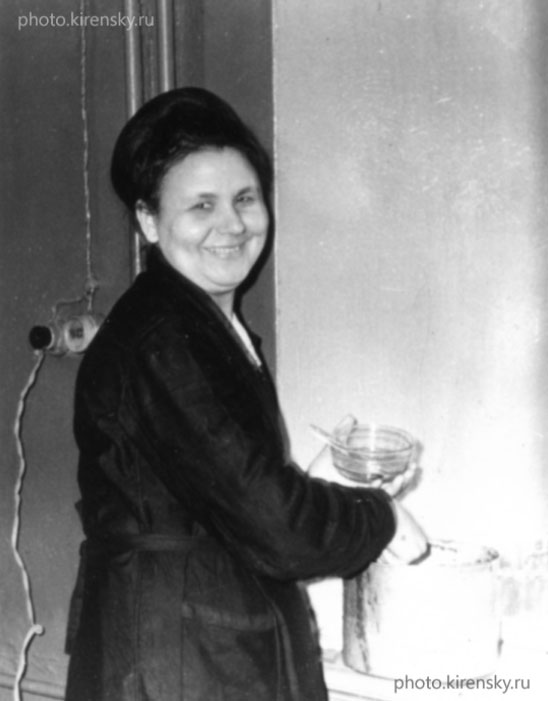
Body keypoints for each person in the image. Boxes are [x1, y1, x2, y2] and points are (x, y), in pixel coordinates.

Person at [64, 87, 427, 701]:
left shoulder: (206, 325)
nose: (231, 225)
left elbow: (222, 494)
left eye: (245, 198)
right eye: (201, 205)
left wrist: (311, 484)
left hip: (197, 645)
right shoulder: (163, 339)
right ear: (148, 221)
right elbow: (277, 530)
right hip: (174, 662)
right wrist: (382, 517)